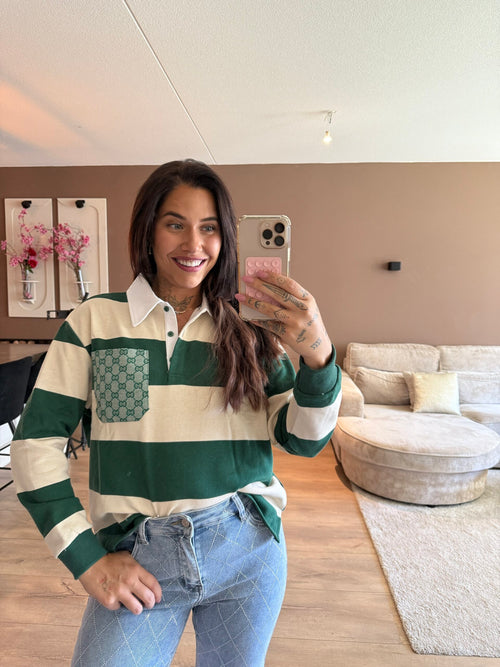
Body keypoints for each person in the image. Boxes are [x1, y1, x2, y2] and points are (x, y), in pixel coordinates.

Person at [11, 159, 342, 666]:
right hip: (138, 555)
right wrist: (86, 560)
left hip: (245, 550)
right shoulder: (95, 321)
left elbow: (302, 440)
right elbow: (34, 446)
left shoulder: (252, 328)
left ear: (226, 237)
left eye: (209, 227)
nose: (194, 244)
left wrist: (318, 358)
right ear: (147, 230)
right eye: (175, 224)